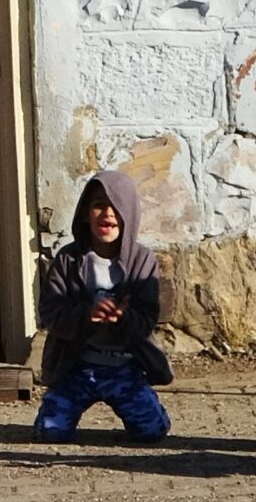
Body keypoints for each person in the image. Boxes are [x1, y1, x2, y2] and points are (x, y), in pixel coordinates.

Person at [34, 169, 171, 442]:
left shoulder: (142, 262)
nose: (107, 213)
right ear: (85, 214)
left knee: (152, 433)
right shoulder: (68, 260)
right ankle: (58, 407)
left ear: (129, 216)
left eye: (116, 207)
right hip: (78, 367)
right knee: (50, 432)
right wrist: (86, 315)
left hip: (124, 368)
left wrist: (124, 318)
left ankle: (149, 407)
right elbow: (51, 312)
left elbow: (148, 317)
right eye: (99, 205)